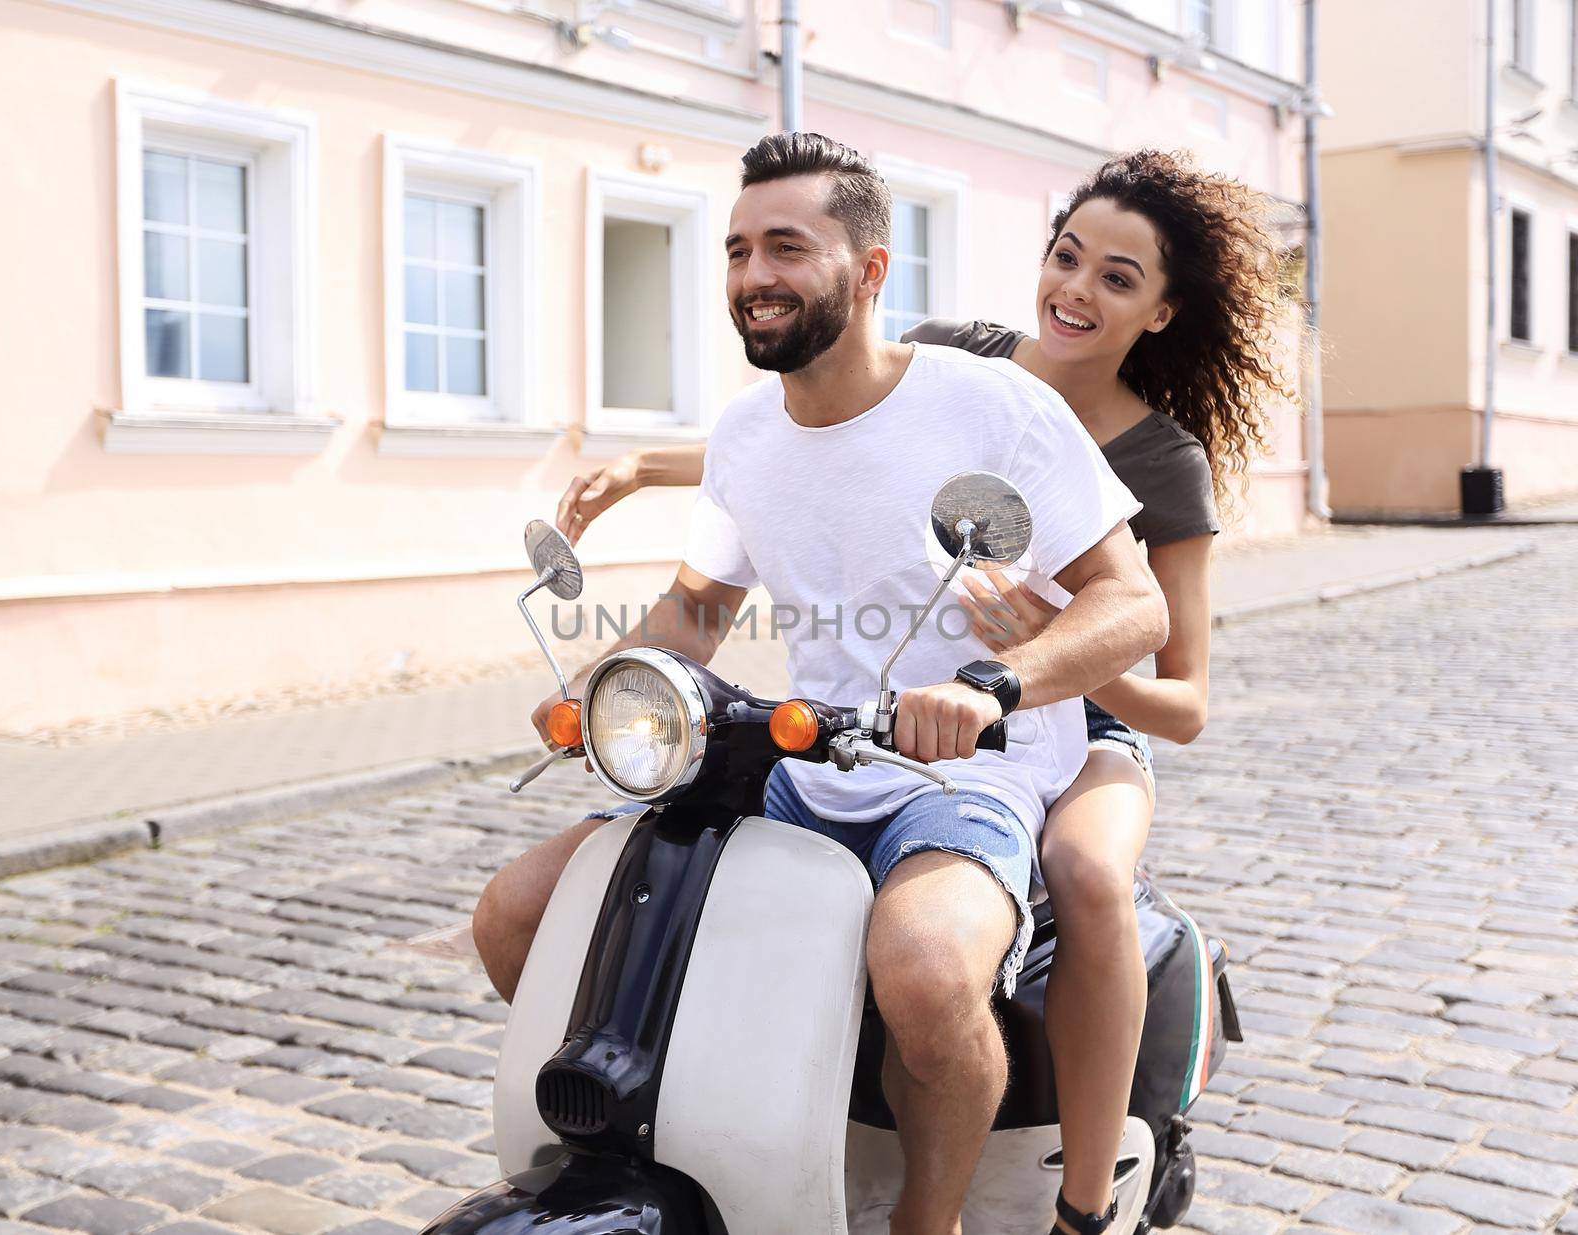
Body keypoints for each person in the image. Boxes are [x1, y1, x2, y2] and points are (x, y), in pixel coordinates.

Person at [551, 149, 1297, 1235]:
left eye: (1117, 278)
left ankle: (1084, 1197)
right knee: (577, 895)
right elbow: (822, 425)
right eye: (1066, 256)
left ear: (1159, 311)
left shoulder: (1149, 452)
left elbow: (1170, 673)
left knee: (1084, 872)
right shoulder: (965, 357)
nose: (1076, 290)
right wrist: (639, 475)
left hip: (1073, 714)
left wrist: (1024, 661)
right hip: (886, 719)